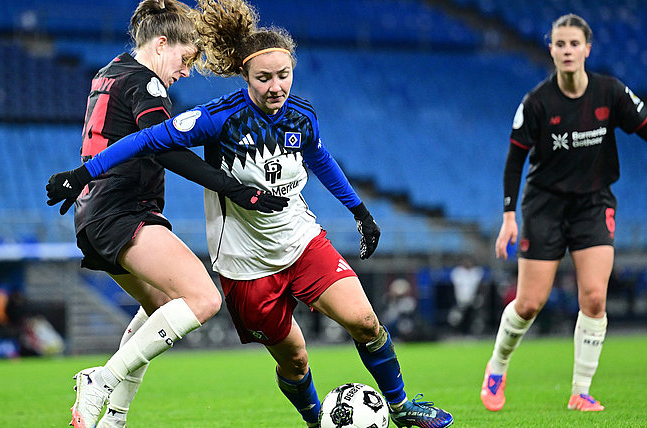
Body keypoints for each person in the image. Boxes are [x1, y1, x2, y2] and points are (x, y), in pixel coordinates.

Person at [47, 1, 454, 426]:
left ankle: (402, 405)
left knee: (366, 321)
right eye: (265, 78)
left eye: (284, 75)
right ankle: (315, 420)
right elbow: (150, 141)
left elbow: (321, 158)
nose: (276, 86)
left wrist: (359, 210)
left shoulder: (301, 115)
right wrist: (83, 172)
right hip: (246, 265)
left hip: (301, 241)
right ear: (245, 78)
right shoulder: (216, 117)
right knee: (294, 360)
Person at [46, 2, 288, 427]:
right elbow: (167, 147)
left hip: (93, 215)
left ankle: (114, 417)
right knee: (203, 299)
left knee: (159, 309)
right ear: (161, 45)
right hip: (122, 211)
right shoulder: (147, 85)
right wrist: (234, 188)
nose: (186, 71)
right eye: (185, 58)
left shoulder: (110, 71)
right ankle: (101, 379)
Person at [481, 13, 647, 413]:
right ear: (551, 49)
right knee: (529, 304)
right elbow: (513, 162)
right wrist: (508, 216)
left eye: (575, 44)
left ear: (587, 49)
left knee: (593, 298)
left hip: (593, 204)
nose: (568, 50)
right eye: (561, 44)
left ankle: (581, 391)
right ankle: (497, 365)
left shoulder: (610, 92)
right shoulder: (537, 103)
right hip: (545, 206)